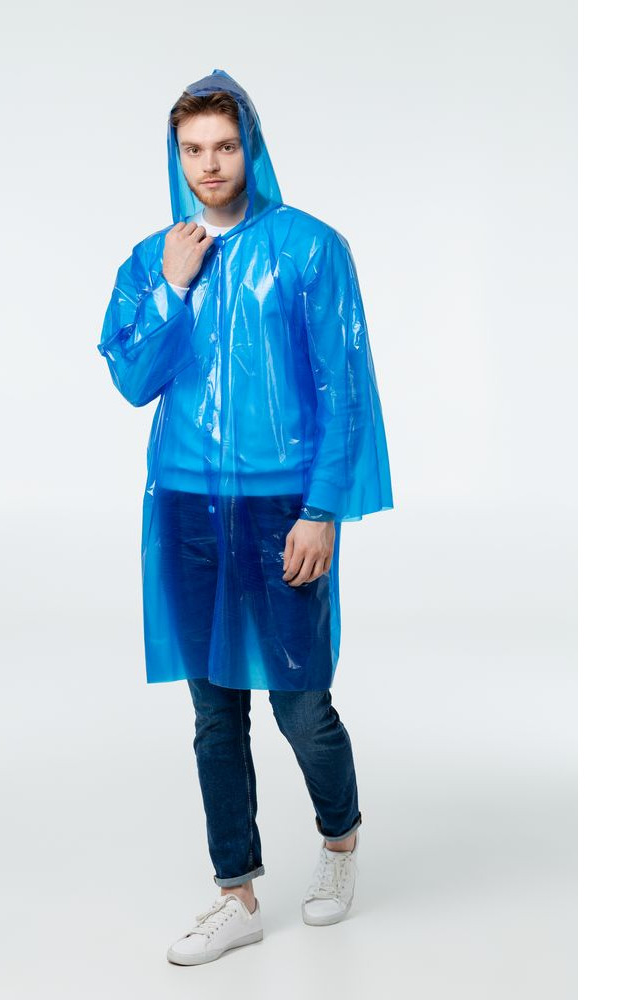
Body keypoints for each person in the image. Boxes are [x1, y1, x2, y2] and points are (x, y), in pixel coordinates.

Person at [96, 68, 393, 965]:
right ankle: (238, 894)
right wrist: (172, 288)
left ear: (249, 146)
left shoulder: (309, 249)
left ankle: (339, 839)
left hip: (281, 507)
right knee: (214, 713)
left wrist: (322, 510)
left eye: (224, 145)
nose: (210, 164)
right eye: (193, 149)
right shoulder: (155, 258)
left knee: (301, 703)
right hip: (187, 504)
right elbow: (132, 378)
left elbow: (343, 387)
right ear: (176, 156)